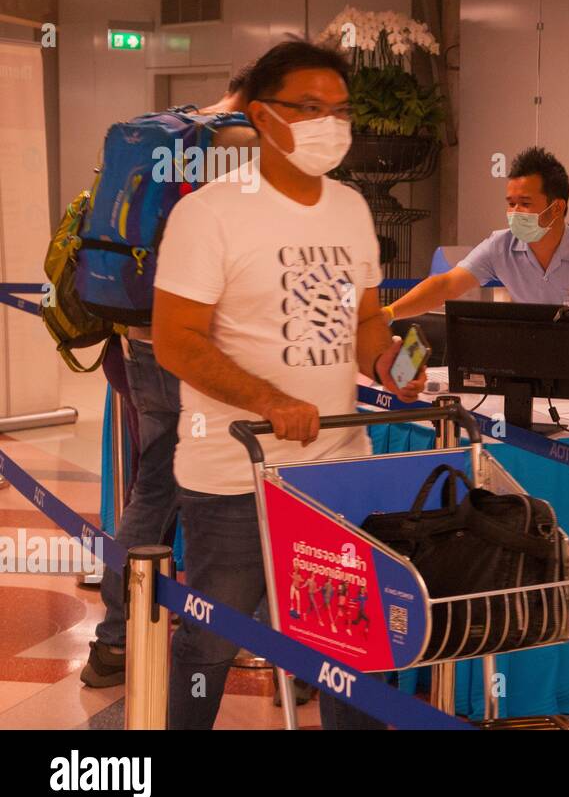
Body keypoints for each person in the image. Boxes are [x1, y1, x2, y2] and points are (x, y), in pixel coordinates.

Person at [150, 39, 423, 730]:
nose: (329, 124)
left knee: (351, 647)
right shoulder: (209, 213)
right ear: (262, 116)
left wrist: (391, 364)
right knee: (212, 640)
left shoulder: (352, 209)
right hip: (235, 474)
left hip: (337, 471)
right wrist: (269, 401)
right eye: (309, 107)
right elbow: (175, 338)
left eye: (340, 110)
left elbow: (363, 321)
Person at [80, 66, 257, 688]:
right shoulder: (240, 145)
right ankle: (212, 634)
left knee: (156, 484)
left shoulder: (164, 129)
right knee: (214, 490)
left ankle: (120, 639)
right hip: (202, 344)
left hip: (140, 334)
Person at [386, 146, 569, 401]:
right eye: (511, 204)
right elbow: (447, 285)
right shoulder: (500, 246)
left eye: (525, 204)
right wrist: (388, 313)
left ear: (557, 208)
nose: (515, 213)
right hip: (535, 382)